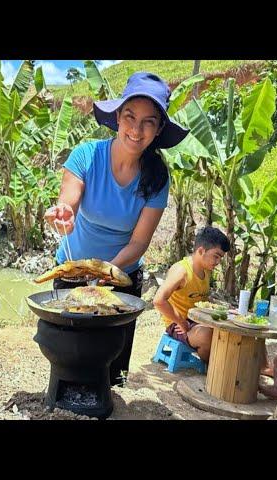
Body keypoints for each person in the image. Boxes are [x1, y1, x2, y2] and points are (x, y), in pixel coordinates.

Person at [44, 72, 190, 387]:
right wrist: (63, 215)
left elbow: (139, 242)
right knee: (68, 356)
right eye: (130, 117)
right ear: (117, 117)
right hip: (72, 271)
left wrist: (106, 272)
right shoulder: (87, 155)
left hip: (121, 277)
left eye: (149, 122)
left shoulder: (157, 177)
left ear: (159, 129)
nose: (137, 130)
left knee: (108, 369)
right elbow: (68, 203)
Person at [153, 226, 230, 362]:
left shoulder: (206, 270)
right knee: (208, 335)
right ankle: (212, 368)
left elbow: (200, 297)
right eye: (216, 256)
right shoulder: (181, 271)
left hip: (198, 321)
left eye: (220, 258)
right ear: (201, 250)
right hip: (178, 325)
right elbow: (159, 300)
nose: (218, 262)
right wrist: (181, 321)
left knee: (230, 329)